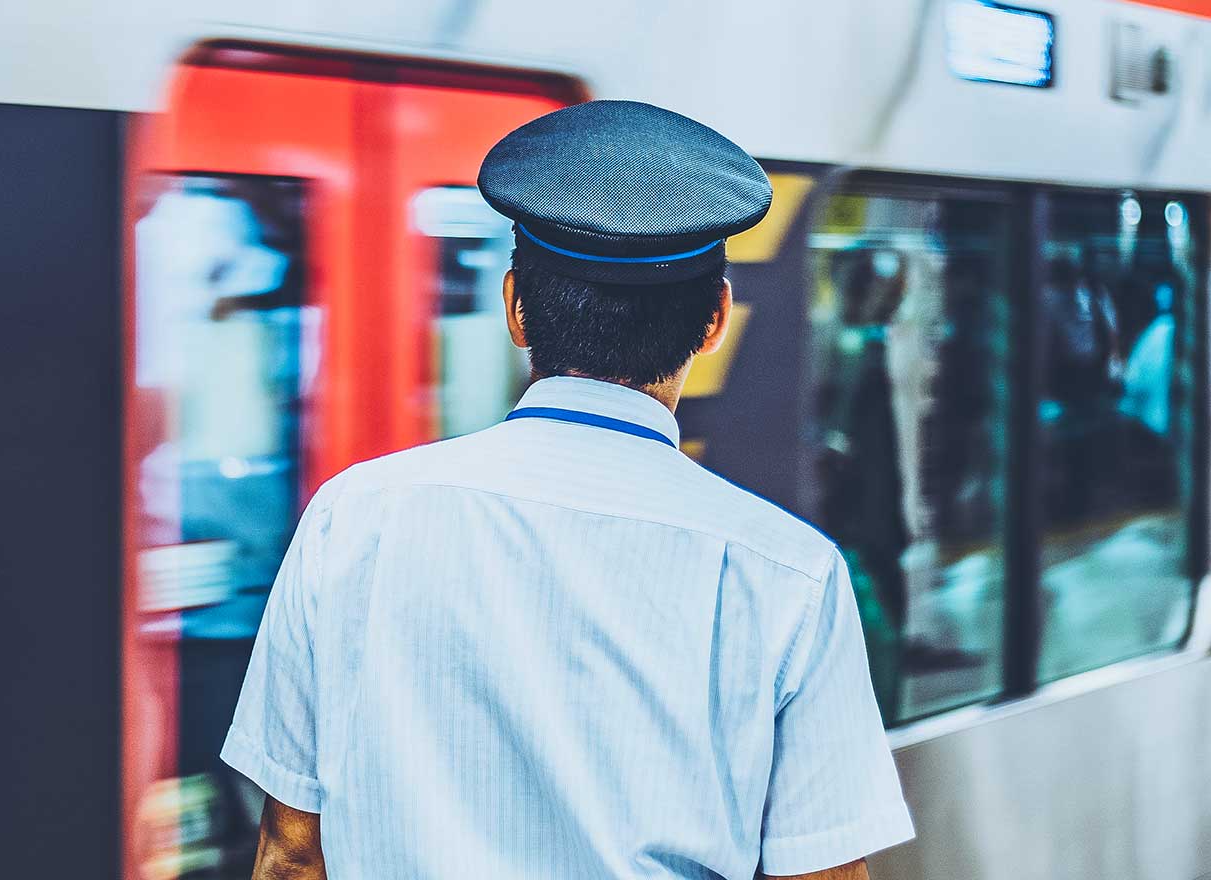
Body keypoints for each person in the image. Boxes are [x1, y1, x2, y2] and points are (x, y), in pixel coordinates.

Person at [221, 102, 913, 880]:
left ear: (516, 307)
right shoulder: (788, 573)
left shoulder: (353, 518)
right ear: (715, 319)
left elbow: (292, 854)